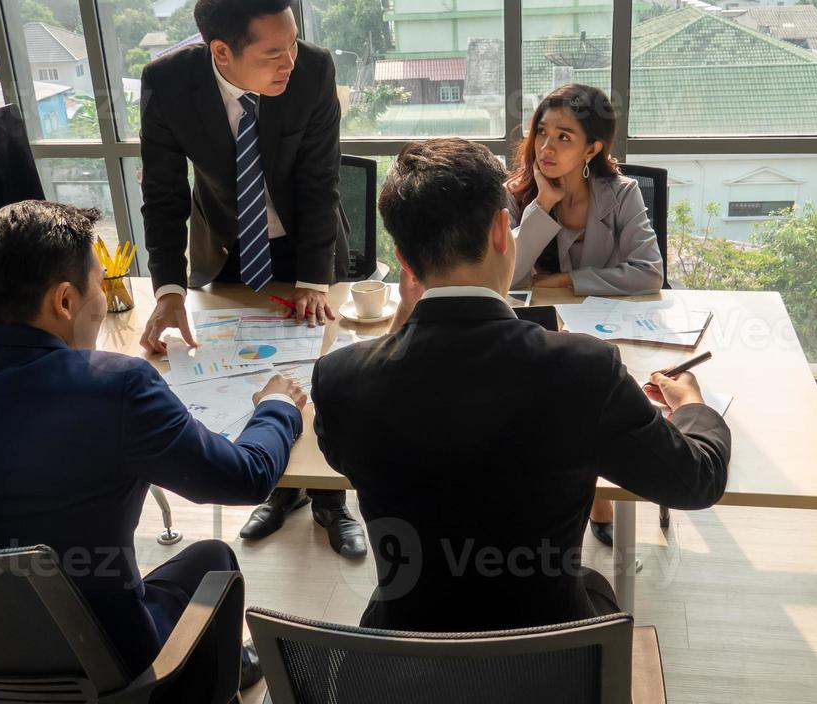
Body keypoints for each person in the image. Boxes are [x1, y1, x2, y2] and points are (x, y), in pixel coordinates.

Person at [312, 139, 730, 633]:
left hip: (407, 661)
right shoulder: (583, 371)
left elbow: (353, 452)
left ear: (404, 260)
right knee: (596, 585)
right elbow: (697, 481)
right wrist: (691, 404)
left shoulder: (340, 381)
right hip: (548, 656)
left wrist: (404, 318)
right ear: (499, 231)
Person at [0, 201, 307, 690]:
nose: (101, 301)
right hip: (106, 669)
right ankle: (214, 683)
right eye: (99, 286)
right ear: (65, 301)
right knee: (213, 558)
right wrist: (278, 406)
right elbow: (246, 477)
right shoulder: (118, 387)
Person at [136, 0, 364, 558]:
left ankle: (333, 500)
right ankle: (276, 487)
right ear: (222, 51)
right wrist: (167, 289)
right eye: (273, 53)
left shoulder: (312, 69)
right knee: (248, 367)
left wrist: (315, 278)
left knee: (317, 369)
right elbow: (163, 195)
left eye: (292, 45)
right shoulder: (167, 83)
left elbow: (320, 182)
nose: (289, 60)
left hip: (312, 247)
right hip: (234, 246)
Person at [504, 83, 665, 546]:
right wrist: (543, 207)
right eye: (542, 133)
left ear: (593, 148)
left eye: (564, 137)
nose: (546, 147)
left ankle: (590, 490)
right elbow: (508, 278)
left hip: (606, 333)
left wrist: (571, 280)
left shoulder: (621, 194)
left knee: (587, 399)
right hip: (537, 336)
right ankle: (573, 491)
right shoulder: (515, 195)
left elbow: (648, 273)